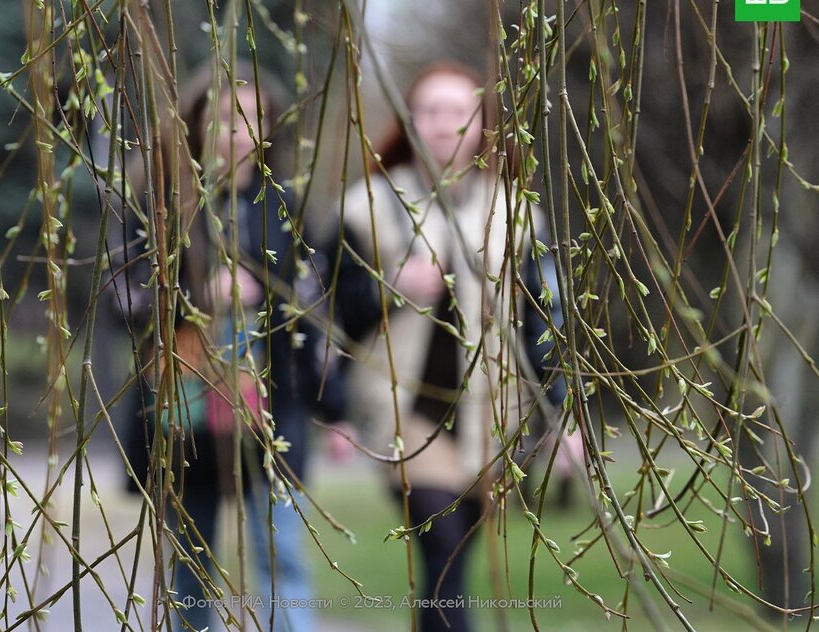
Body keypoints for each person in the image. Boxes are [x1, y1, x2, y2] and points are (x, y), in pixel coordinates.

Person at [332, 61, 581, 632]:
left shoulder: (517, 212)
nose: (445, 124)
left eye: (459, 111)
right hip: (404, 411)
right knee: (443, 550)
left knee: (451, 566)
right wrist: (391, 290)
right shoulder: (366, 205)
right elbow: (334, 314)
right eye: (431, 110)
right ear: (409, 120)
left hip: (493, 414)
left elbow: (544, 319)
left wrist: (560, 409)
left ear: (481, 125)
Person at [120, 61, 340, 632]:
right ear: (198, 125)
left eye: (251, 118)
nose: (237, 131)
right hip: (187, 408)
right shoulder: (163, 204)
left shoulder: (285, 206)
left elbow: (313, 310)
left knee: (279, 551)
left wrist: (265, 291)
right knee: (192, 560)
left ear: (267, 129)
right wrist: (195, 292)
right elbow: (125, 297)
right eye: (223, 118)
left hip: (273, 410)